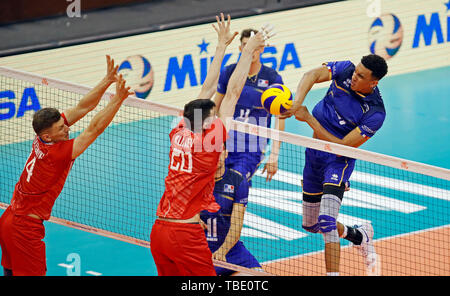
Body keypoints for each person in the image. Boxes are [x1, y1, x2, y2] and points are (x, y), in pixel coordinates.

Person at [150, 15, 272, 276]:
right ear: (207, 123)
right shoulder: (210, 143)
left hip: (159, 229)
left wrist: (221, 46)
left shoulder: (178, 131)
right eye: (213, 115)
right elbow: (233, 91)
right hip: (184, 233)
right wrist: (248, 51)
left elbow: (207, 88)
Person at [0, 55, 133, 276]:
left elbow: (83, 106)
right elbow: (94, 129)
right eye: (61, 129)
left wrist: (107, 80)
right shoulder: (57, 154)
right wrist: (117, 99)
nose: (67, 129)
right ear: (47, 135)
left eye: (64, 125)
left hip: (9, 220)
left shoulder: (42, 139)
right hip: (24, 229)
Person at [280, 54, 388, 276]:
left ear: (373, 82)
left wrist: (308, 118)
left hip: (338, 162)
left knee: (327, 221)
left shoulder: (375, 113)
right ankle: (360, 236)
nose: (354, 77)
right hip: (314, 155)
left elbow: (341, 146)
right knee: (311, 225)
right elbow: (310, 75)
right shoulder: (345, 69)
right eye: (356, 72)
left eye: (360, 76)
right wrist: (297, 104)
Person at [213, 28, 285, 191]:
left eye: (254, 46)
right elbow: (214, 107)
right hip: (225, 144)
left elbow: (280, 119)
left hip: (252, 147)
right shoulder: (230, 72)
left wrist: (273, 155)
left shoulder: (272, 78)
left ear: (261, 49)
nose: (250, 50)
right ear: (241, 49)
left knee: (234, 185)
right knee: (217, 190)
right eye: (246, 46)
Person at [200, 148, 263, 276]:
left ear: (226, 153)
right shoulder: (197, 181)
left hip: (231, 250)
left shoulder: (237, 181)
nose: (216, 156)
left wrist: (222, 251)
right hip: (201, 251)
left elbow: (236, 226)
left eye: (219, 151)